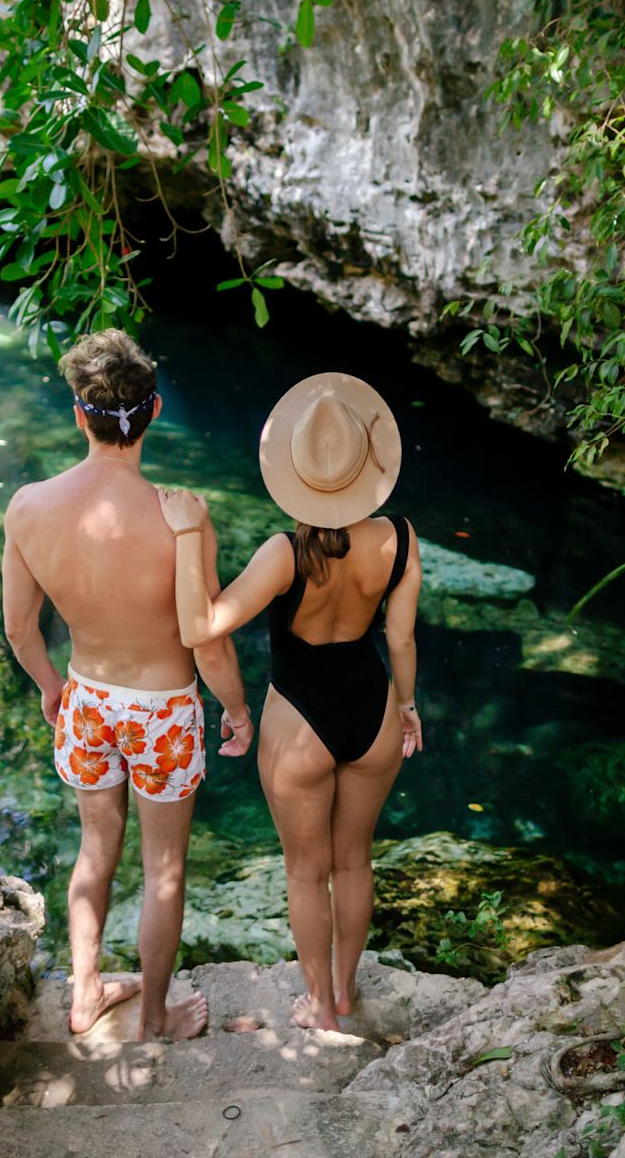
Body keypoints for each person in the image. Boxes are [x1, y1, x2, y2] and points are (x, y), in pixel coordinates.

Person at [1, 329, 255, 1042]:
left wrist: (53, 686)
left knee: (94, 847)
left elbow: (21, 631)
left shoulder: (28, 506)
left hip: (87, 696)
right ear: (156, 411)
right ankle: (152, 1016)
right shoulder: (182, 517)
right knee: (164, 868)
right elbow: (205, 640)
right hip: (164, 711)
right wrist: (235, 709)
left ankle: (85, 995)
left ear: (79, 414)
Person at [157, 372, 422, 1032]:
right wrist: (409, 706)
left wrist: (190, 535)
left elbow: (201, 629)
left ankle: (318, 1010)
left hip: (298, 724)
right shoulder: (400, 538)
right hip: (374, 714)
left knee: (306, 875)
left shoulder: (285, 553)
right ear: (367, 469)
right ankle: (344, 995)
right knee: (355, 860)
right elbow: (402, 636)